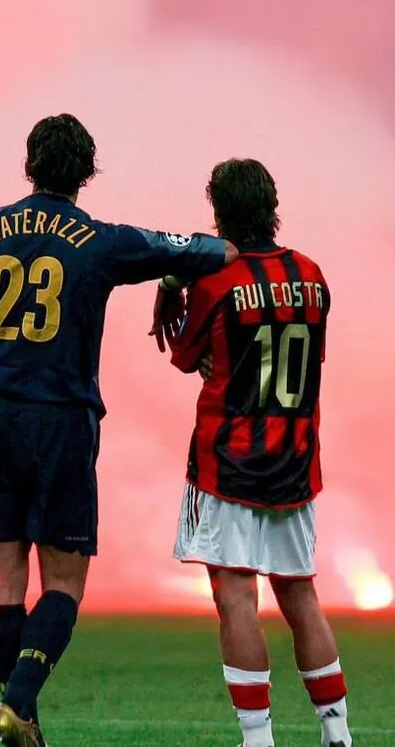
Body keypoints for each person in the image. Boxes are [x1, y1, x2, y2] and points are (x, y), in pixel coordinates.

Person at [0, 113, 237, 747]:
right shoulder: (103, 241)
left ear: (28, 164)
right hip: (61, 425)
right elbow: (216, 252)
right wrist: (170, 281)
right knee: (64, 584)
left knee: (5, 587)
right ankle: (17, 706)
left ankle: (24, 724)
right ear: (87, 173)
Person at [152, 158, 352, 747]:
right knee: (299, 592)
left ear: (218, 212)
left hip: (228, 462)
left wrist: (172, 290)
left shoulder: (215, 281)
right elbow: (309, 359)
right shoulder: (311, 274)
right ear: (272, 205)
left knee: (236, 595)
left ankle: (258, 739)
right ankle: (337, 734)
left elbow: (184, 355)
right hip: (295, 462)